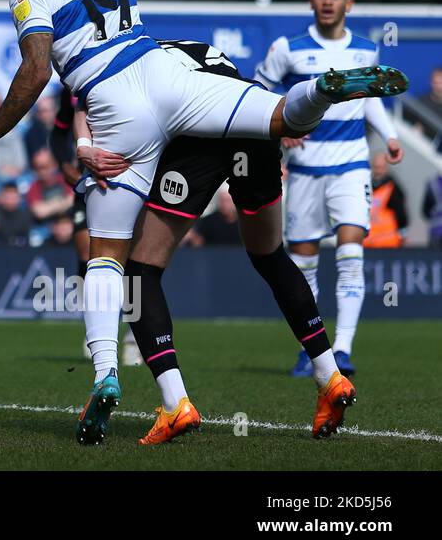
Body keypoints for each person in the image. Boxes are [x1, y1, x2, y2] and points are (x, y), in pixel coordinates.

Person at [0, 0, 405, 445]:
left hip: (115, 100)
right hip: (175, 77)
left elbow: (37, 71)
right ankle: (322, 89)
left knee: (111, 258)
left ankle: (111, 377)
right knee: (284, 119)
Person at [73, 38, 359, 442]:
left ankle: (175, 403)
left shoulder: (120, 65)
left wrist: (85, 147)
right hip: (250, 115)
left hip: (201, 132)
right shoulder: (183, 46)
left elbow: (92, 113)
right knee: (271, 256)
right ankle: (330, 376)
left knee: (138, 271)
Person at [255, 0, 404, 377]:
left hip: (351, 164)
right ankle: (312, 350)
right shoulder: (289, 48)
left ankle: (342, 349)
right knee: (303, 264)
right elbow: (260, 89)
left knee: (351, 252)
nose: (327, 2)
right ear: (311, 1)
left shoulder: (365, 51)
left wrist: (389, 135)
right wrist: (279, 131)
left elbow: (372, 99)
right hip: (304, 169)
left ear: (348, 4)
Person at [365, 151, 409, 248]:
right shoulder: (366, 187)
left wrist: (403, 237)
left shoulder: (393, 189)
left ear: (387, 168)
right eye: (376, 167)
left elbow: (402, 216)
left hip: (388, 244)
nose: (378, 171)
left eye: (381, 167)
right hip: (367, 244)